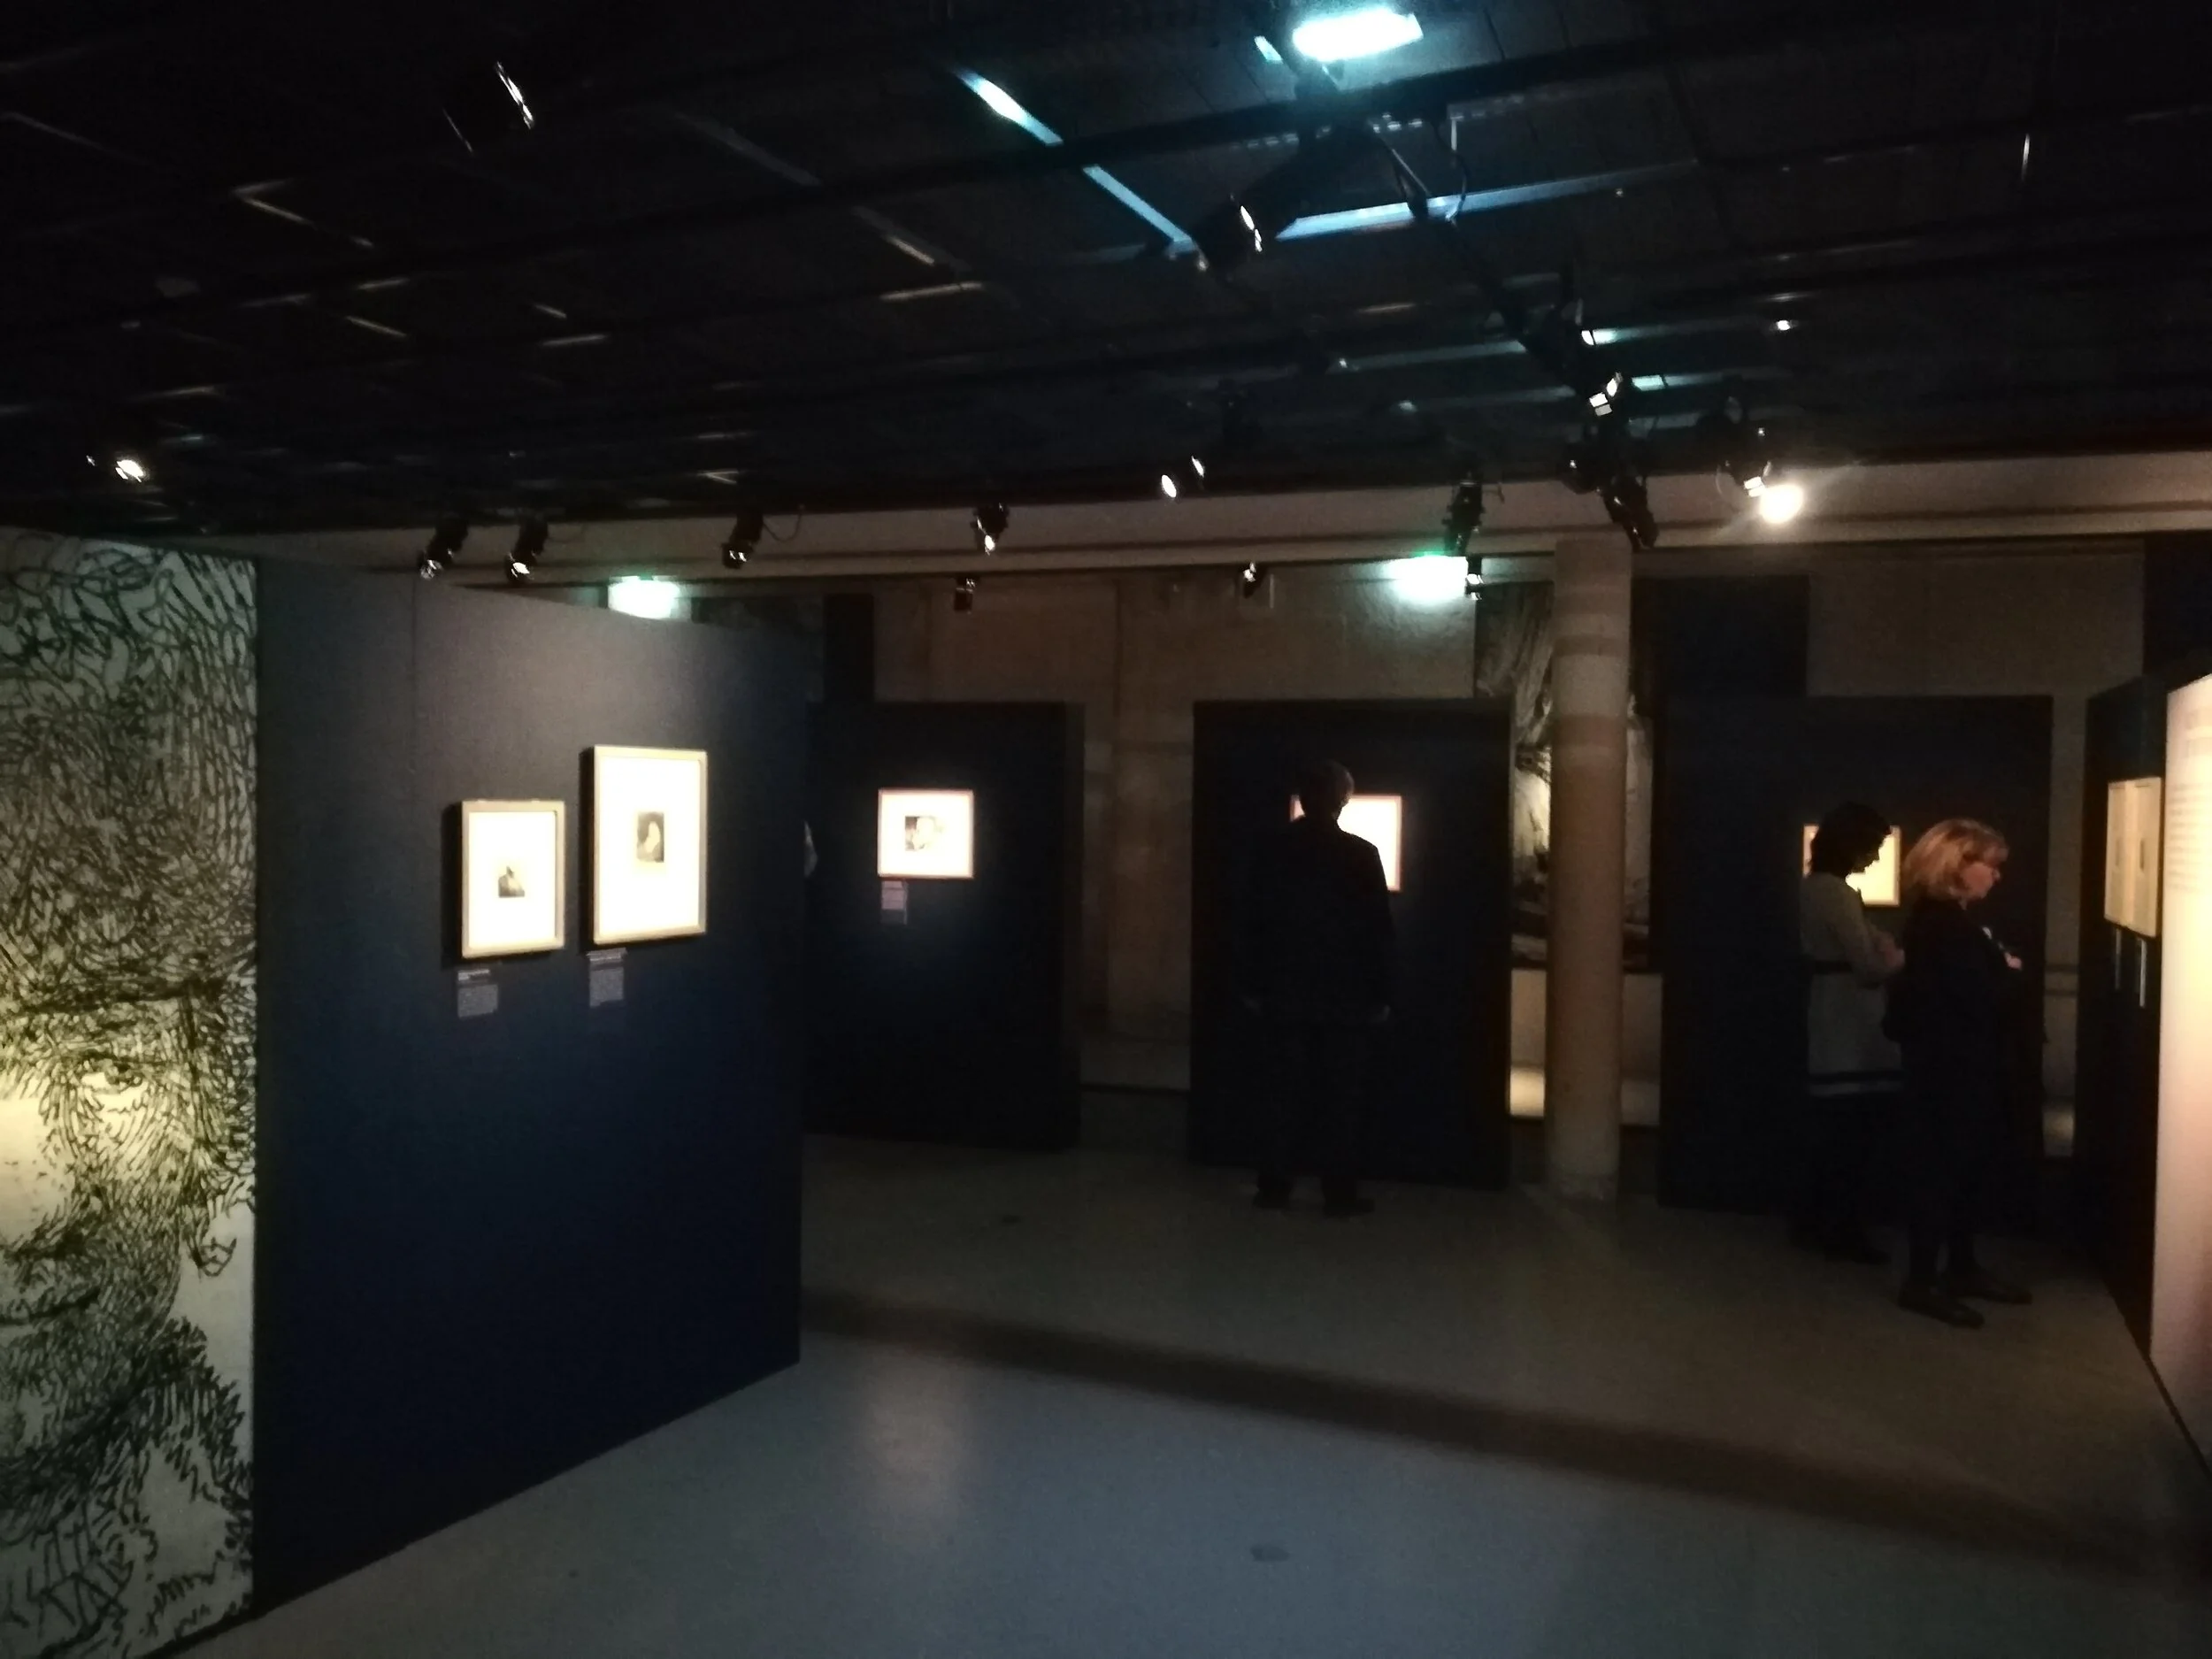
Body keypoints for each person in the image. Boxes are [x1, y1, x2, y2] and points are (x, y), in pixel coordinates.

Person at [1886, 818, 2031, 1327]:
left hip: (1954, 1066)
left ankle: (1959, 1267)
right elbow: (1972, 1000)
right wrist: (2007, 974)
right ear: (1957, 865)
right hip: (1949, 1070)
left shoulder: (1943, 922)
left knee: (1960, 1169)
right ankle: (1924, 1280)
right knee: (1942, 1171)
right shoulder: (1943, 927)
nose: (1996, 876)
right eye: (1990, 866)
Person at [1236, 759, 1394, 1217]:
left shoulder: (1272, 850)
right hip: (1345, 996)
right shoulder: (1360, 854)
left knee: (1281, 1093)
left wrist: (1252, 984)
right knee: (1340, 1097)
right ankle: (1338, 1192)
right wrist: (1381, 992)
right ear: (1341, 800)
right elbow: (1377, 931)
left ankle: (1273, 1187)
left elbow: (1253, 923)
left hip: (1284, 991)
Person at [1796, 803, 1903, 1263]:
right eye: (1872, 847)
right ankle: (1841, 1228)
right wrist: (1897, 958)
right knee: (1850, 1134)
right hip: (1851, 1017)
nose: (1876, 857)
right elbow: (1869, 966)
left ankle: (1819, 1222)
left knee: (1835, 1131)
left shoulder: (1813, 888)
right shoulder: (1836, 893)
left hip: (1832, 1011)